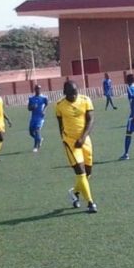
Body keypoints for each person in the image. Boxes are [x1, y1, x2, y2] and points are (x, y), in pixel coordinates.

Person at [55, 81, 98, 214]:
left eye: (75, 92)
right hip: (70, 142)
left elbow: (91, 120)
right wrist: (64, 139)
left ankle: (74, 192)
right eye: (71, 93)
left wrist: (83, 137)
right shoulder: (59, 105)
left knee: (88, 173)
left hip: (85, 140)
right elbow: (60, 125)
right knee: (81, 172)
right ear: (65, 93)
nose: (74, 95)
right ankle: (91, 203)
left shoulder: (86, 100)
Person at [27, 85, 49, 153]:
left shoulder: (44, 98)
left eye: (39, 89)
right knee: (31, 132)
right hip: (33, 117)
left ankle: (35, 147)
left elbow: (46, 104)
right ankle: (39, 139)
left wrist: (44, 110)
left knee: (37, 130)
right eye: (37, 89)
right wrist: (33, 107)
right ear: (35, 89)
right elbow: (29, 108)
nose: (38, 90)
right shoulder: (31, 98)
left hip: (40, 117)